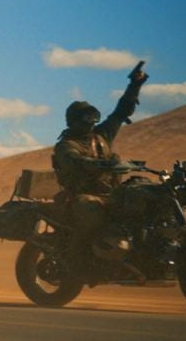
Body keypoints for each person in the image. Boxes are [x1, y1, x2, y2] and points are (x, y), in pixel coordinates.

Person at [52, 60, 149, 258]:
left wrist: (135, 85)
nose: (91, 121)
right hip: (82, 195)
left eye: (93, 116)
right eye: (86, 118)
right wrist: (100, 164)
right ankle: (77, 259)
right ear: (73, 121)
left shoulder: (102, 135)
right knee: (91, 212)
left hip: (112, 194)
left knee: (146, 198)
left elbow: (121, 113)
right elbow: (74, 160)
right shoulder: (66, 144)